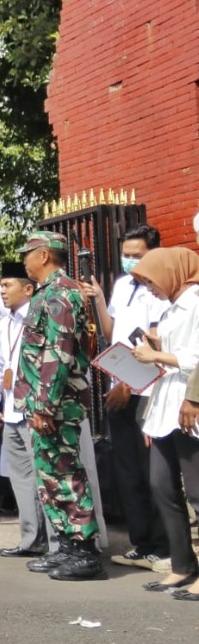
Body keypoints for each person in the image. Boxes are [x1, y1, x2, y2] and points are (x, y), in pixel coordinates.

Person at [80, 224, 171, 571]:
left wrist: (127, 385)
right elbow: (110, 331)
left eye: (137, 255)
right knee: (127, 471)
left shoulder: (159, 290)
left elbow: (151, 345)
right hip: (121, 387)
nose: (130, 261)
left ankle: (163, 546)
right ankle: (141, 542)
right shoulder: (123, 285)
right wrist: (100, 299)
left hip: (146, 390)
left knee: (154, 474)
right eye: (127, 255)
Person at [15, 230, 105, 580]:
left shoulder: (62, 294)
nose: (24, 260)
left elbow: (59, 353)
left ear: (44, 255)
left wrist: (44, 405)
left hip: (56, 404)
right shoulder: (48, 292)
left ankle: (85, 551)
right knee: (50, 476)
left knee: (66, 474)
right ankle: (67, 545)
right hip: (45, 402)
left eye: (28, 253)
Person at [126, 248, 199, 599]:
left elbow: (196, 356)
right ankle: (183, 564)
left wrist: (156, 354)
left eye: (150, 280)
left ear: (171, 271)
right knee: (162, 487)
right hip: (166, 403)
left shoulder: (197, 301)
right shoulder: (172, 306)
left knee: (198, 493)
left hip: (190, 403)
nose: (149, 288)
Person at [0, 262, 48, 557]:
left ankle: (55, 543)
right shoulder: (6, 323)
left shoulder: (40, 319)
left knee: (45, 479)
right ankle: (30, 539)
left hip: (34, 411)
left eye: (7, 285)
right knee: (21, 479)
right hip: (10, 410)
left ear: (28, 289)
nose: (2, 291)